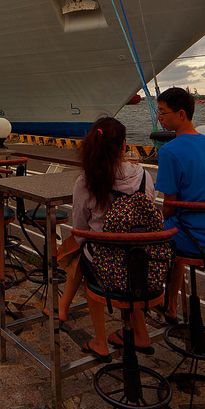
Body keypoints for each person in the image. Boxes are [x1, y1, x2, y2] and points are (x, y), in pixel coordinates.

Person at [54, 116, 157, 359]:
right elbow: (149, 208)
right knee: (126, 258)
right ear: (123, 146)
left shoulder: (86, 181)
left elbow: (79, 227)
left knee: (83, 250)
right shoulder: (143, 176)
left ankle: (98, 339)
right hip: (144, 264)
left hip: (106, 267)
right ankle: (140, 333)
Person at [153, 87, 205, 320]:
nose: (159, 117)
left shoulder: (169, 151)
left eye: (162, 112)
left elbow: (168, 208)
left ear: (180, 114)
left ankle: (143, 303)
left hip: (191, 239)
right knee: (172, 229)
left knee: (142, 234)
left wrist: (153, 217)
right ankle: (171, 306)